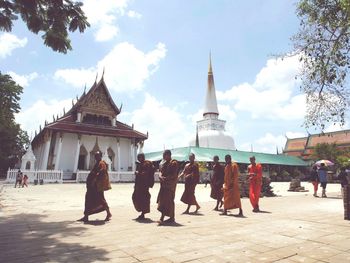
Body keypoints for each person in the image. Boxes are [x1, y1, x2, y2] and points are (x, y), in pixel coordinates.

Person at [78, 151, 112, 222]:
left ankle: (108, 213)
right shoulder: (97, 163)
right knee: (88, 199)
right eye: (95, 156)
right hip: (92, 186)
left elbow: (101, 172)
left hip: (97, 186)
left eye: (97, 156)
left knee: (101, 199)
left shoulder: (102, 163)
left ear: (100, 156)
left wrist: (94, 180)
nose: (96, 157)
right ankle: (86, 216)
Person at [157, 150, 178, 224]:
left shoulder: (173, 163)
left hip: (170, 186)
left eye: (164, 155)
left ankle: (169, 218)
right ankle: (164, 218)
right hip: (163, 185)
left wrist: (165, 178)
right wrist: (160, 176)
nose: (163, 156)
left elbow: (173, 175)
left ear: (168, 155)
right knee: (163, 201)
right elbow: (160, 171)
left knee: (169, 201)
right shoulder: (164, 163)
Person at [132, 153, 155, 220]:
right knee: (135, 197)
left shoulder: (146, 164)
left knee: (143, 199)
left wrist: (138, 173)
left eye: (140, 157)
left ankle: (143, 213)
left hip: (144, 185)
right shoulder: (140, 164)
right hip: (139, 185)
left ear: (143, 157)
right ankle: (142, 212)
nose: (139, 159)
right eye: (138, 158)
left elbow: (145, 174)